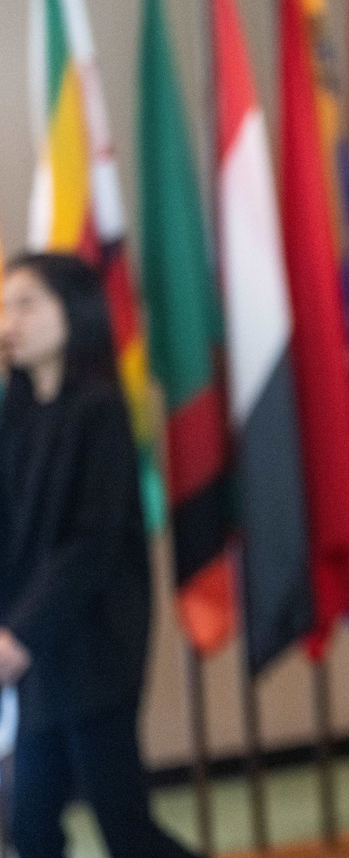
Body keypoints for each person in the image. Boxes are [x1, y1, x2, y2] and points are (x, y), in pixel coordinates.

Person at [0, 253, 200, 858]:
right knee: (32, 826)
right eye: (4, 307)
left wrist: (21, 632)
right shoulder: (16, 416)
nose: (9, 322)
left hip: (92, 643)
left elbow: (92, 543)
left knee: (124, 827)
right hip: (35, 648)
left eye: (26, 303)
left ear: (74, 311)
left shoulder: (100, 410)